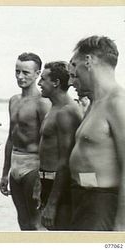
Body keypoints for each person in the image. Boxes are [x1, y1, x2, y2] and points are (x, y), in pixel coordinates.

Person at [68, 35, 125, 231]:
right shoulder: (95, 103)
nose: (73, 72)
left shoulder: (118, 102)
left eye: (75, 64)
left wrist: (121, 225)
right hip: (81, 197)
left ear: (89, 61)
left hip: (101, 203)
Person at [0, 52, 51, 230]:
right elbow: (10, 138)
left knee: (36, 222)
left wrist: (41, 178)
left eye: (26, 73)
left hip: (33, 164)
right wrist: (5, 173)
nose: (20, 76)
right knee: (22, 221)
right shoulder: (13, 100)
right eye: (17, 71)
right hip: (16, 162)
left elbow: (48, 142)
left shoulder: (43, 103)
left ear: (37, 74)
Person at [38, 61, 83, 230]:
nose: (39, 83)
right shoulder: (54, 108)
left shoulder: (67, 112)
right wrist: (39, 184)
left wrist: (52, 204)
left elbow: (65, 161)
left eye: (43, 79)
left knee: (62, 237)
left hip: (60, 187)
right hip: (47, 182)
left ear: (56, 83)